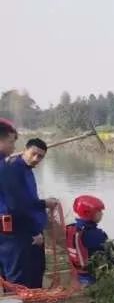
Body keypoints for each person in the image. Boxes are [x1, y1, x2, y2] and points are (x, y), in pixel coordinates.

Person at [0, 138, 58, 289]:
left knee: (35, 272)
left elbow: (28, 201)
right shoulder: (13, 170)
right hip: (18, 233)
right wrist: (34, 232)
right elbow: (18, 205)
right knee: (19, 279)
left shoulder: (25, 170)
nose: (36, 159)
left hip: (26, 231)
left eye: (40, 157)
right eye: (33, 154)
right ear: (25, 149)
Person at [66, 194, 114, 285]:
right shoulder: (96, 234)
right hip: (93, 276)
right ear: (89, 213)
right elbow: (112, 257)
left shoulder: (71, 228)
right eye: (99, 211)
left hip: (78, 273)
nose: (102, 213)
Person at [0, 119, 18, 283]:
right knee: (11, 274)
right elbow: (15, 201)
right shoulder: (5, 168)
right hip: (5, 231)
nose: (13, 147)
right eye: (11, 142)